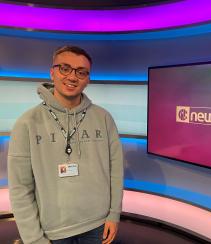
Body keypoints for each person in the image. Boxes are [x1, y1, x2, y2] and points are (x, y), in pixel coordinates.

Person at [8, 46, 124, 244]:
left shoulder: (104, 118)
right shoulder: (27, 123)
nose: (72, 76)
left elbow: (116, 169)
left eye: (81, 72)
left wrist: (114, 214)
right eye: (65, 68)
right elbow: (20, 188)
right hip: (51, 232)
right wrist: (34, 239)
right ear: (52, 72)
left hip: (98, 225)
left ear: (88, 79)